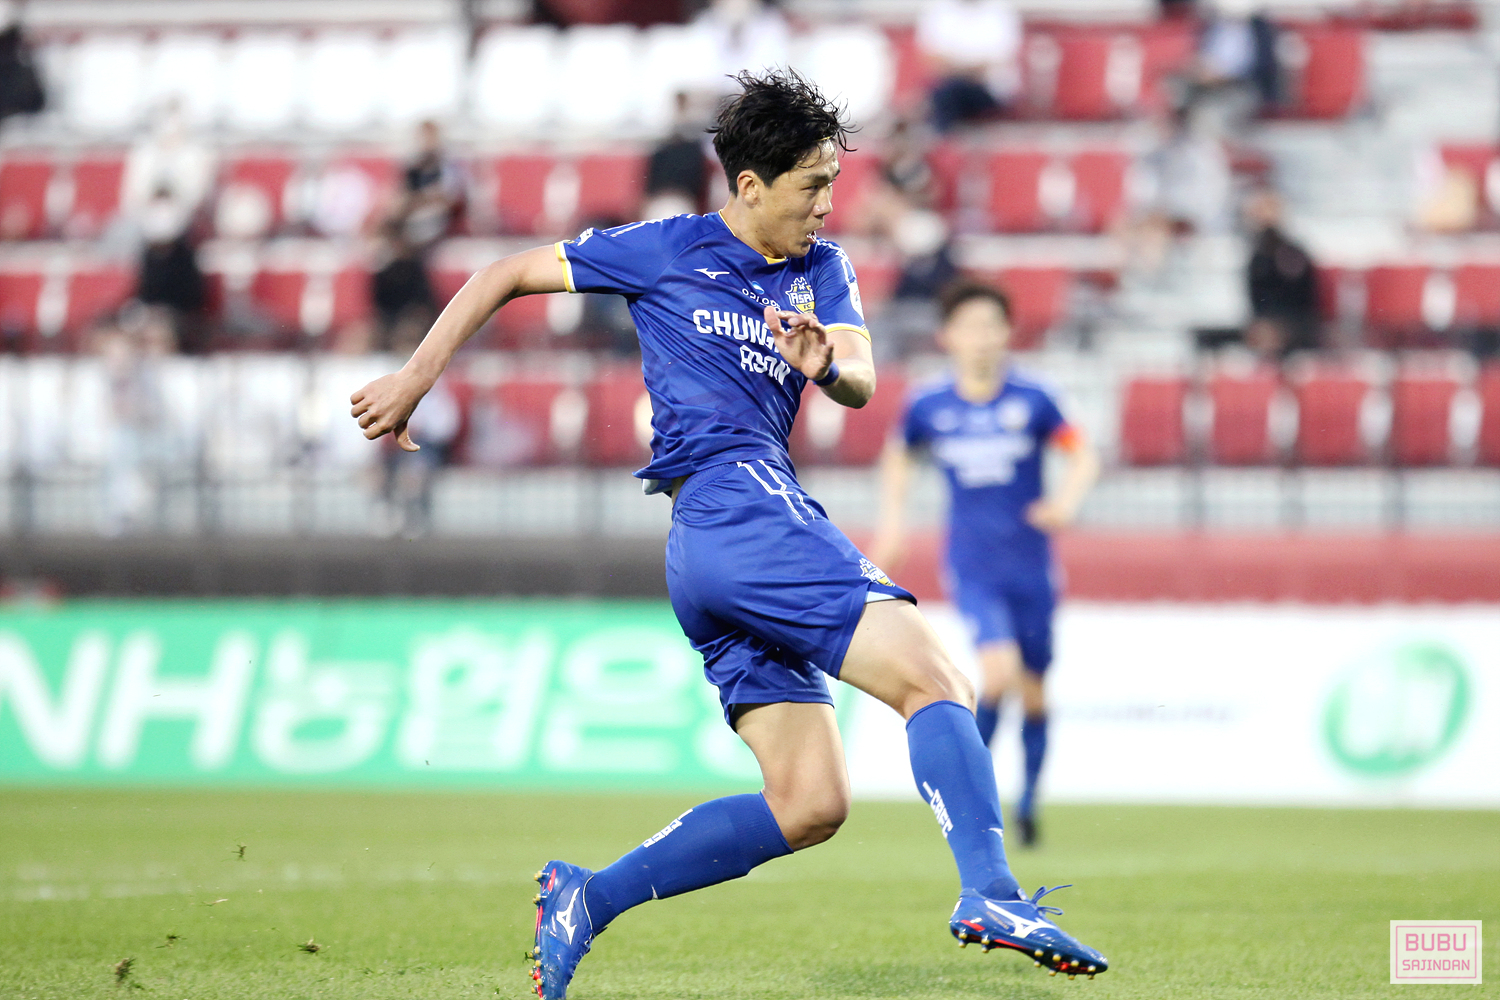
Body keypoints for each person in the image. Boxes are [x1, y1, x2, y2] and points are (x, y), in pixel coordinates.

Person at [350, 70, 1108, 1000]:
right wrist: (415, 378)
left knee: (810, 802)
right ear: (750, 185)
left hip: (717, 540)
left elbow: (861, 378)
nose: (827, 205)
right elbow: (504, 273)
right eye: (812, 186)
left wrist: (825, 366)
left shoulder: (822, 269)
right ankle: (991, 892)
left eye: (833, 184)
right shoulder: (663, 249)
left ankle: (587, 897)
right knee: (936, 679)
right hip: (736, 505)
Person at [872, 280, 1100, 847]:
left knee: (1036, 693)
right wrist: (893, 525)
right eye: (969, 326)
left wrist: (1066, 504)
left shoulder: (1034, 398)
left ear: (1007, 333)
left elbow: (1082, 454)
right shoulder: (929, 404)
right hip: (973, 564)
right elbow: (898, 458)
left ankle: (1028, 805)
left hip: (1032, 566)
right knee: (996, 675)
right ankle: (975, 800)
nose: (981, 337)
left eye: (991, 326)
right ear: (947, 336)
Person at [916, 0, 1022, 132]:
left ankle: (939, 136)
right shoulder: (939, 9)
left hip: (987, 91)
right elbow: (932, 60)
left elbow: (996, 62)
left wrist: (956, 68)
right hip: (947, 88)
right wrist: (967, 69)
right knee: (947, 92)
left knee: (949, 93)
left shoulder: (999, 10)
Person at [1244, 188, 1319, 355]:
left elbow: (1303, 297)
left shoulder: (1292, 252)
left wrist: (1278, 326)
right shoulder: (1256, 256)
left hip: (1296, 325)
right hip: (1266, 324)